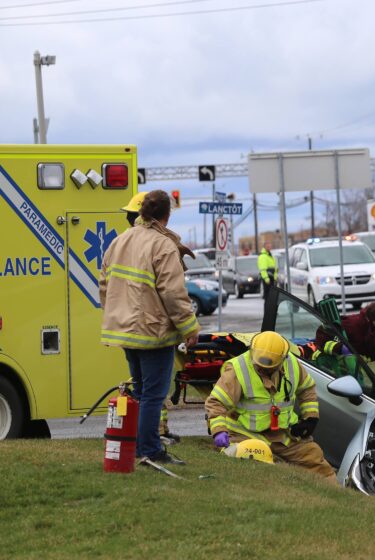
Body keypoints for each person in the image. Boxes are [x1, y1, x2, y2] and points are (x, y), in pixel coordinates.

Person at [100, 190, 199, 466]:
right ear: (166, 215)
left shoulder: (119, 242)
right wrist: (190, 328)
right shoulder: (162, 245)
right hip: (153, 333)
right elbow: (173, 293)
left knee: (142, 392)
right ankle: (150, 450)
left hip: (127, 332)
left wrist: (116, 315)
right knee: (154, 395)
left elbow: (104, 285)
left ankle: (138, 447)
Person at [205, 331, 338, 485]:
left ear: (282, 359)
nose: (262, 370)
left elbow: (307, 389)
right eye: (259, 366)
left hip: (284, 434)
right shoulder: (238, 369)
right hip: (245, 434)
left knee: (314, 460)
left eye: (268, 368)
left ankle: (337, 496)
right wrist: (219, 430)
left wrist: (310, 417)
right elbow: (216, 402)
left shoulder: (292, 364)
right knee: (257, 471)